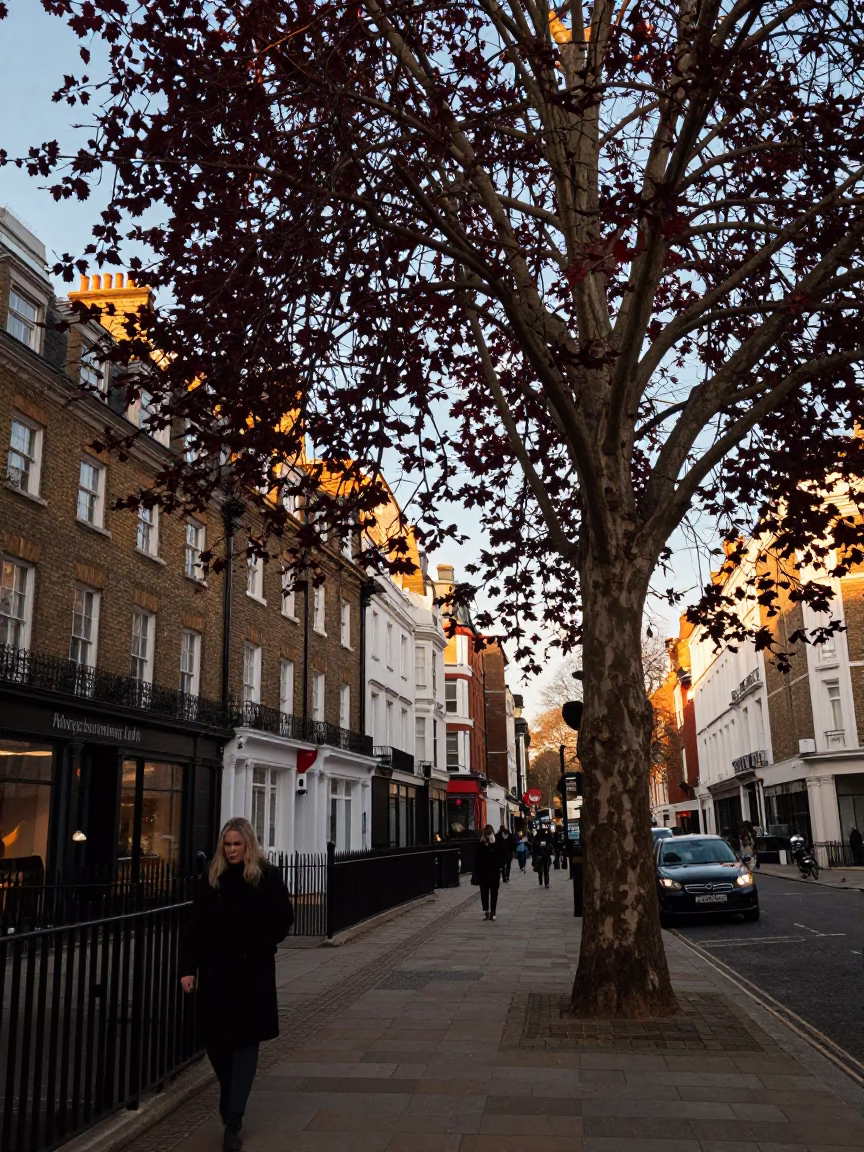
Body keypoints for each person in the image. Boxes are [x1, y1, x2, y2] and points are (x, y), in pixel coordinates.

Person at [181, 818, 294, 1151]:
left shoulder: (267, 877)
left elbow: (283, 918)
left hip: (252, 973)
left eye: (237, 844)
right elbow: (194, 927)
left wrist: (263, 944)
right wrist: (188, 969)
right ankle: (230, 1097)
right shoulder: (211, 879)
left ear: (248, 845)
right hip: (216, 972)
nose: (231, 850)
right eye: (227, 845)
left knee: (246, 1042)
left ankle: (234, 1117)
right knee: (216, 1044)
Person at [473, 825, 502, 920]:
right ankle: (492, 911)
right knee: (493, 892)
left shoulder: (482, 843)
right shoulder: (494, 843)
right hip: (492, 871)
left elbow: (477, 859)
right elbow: (499, 856)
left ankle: (487, 910)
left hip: (485, 871)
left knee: (484, 892)